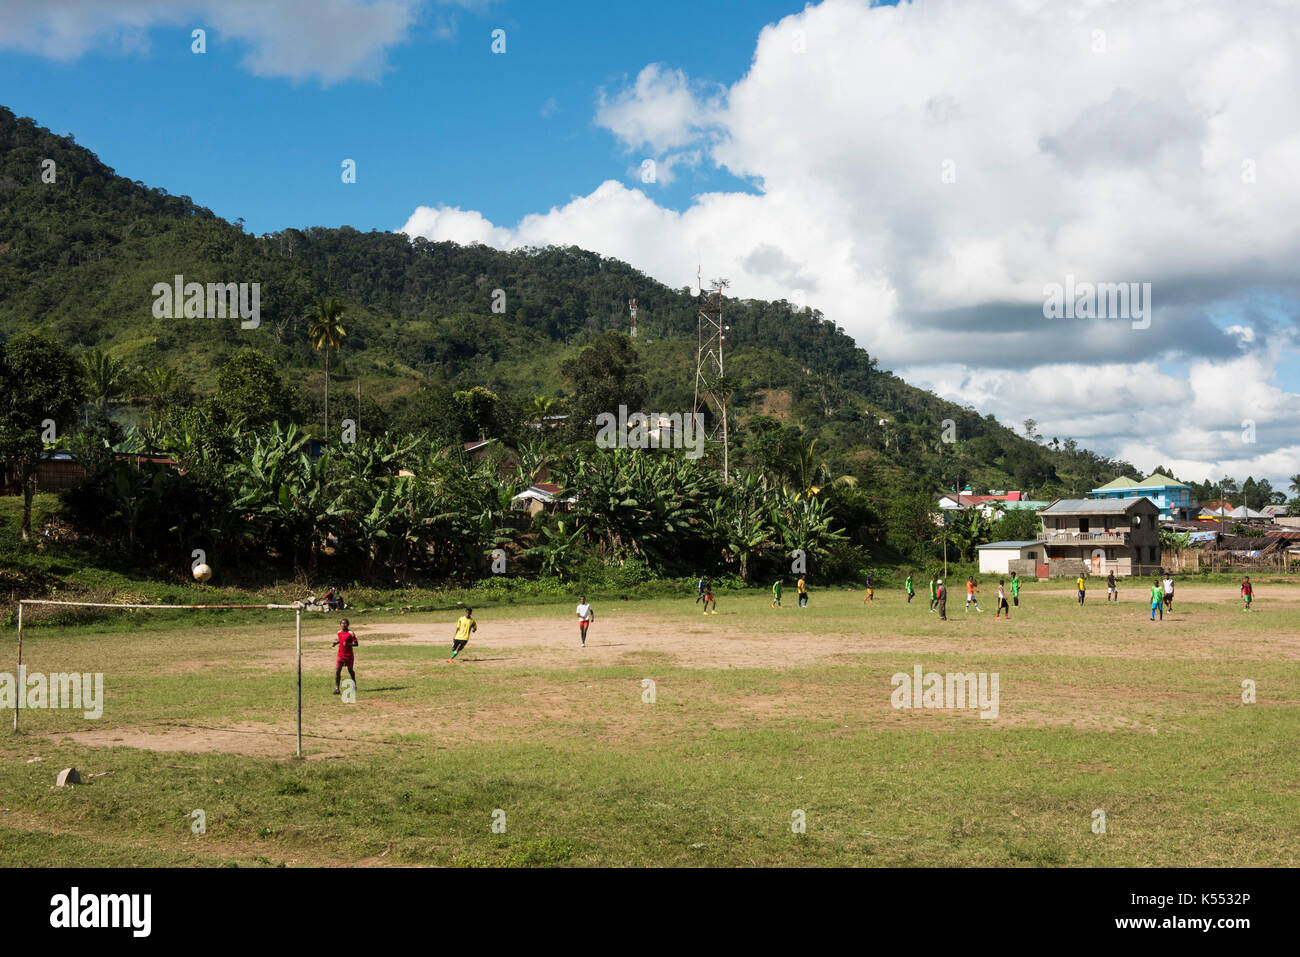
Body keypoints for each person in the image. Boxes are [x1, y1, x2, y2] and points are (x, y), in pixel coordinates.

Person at [333, 619, 358, 694]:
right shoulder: (339, 633)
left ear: (348, 624)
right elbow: (341, 640)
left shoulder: (351, 633)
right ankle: (337, 688)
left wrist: (348, 644)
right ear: (340, 624)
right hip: (340, 655)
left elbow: (356, 644)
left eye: (345, 623)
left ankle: (354, 684)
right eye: (342, 623)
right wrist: (336, 643)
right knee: (337, 671)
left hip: (349, 655)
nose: (344, 625)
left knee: (350, 670)